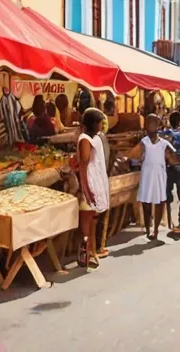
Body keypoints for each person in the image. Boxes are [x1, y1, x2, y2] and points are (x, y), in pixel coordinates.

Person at [130, 114, 176, 241]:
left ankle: (155, 230)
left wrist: (173, 158)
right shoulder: (143, 142)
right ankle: (148, 228)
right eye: (148, 123)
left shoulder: (164, 143)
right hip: (147, 175)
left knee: (160, 202)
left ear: (158, 125)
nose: (150, 125)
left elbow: (173, 158)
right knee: (146, 202)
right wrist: (137, 157)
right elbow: (133, 156)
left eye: (153, 123)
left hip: (160, 176)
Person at [76, 108, 110, 269]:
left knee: (92, 219)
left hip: (91, 182)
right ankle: (87, 253)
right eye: (100, 123)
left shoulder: (93, 138)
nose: (102, 126)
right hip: (87, 183)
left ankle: (92, 252)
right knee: (87, 218)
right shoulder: (85, 140)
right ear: (94, 124)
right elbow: (84, 160)